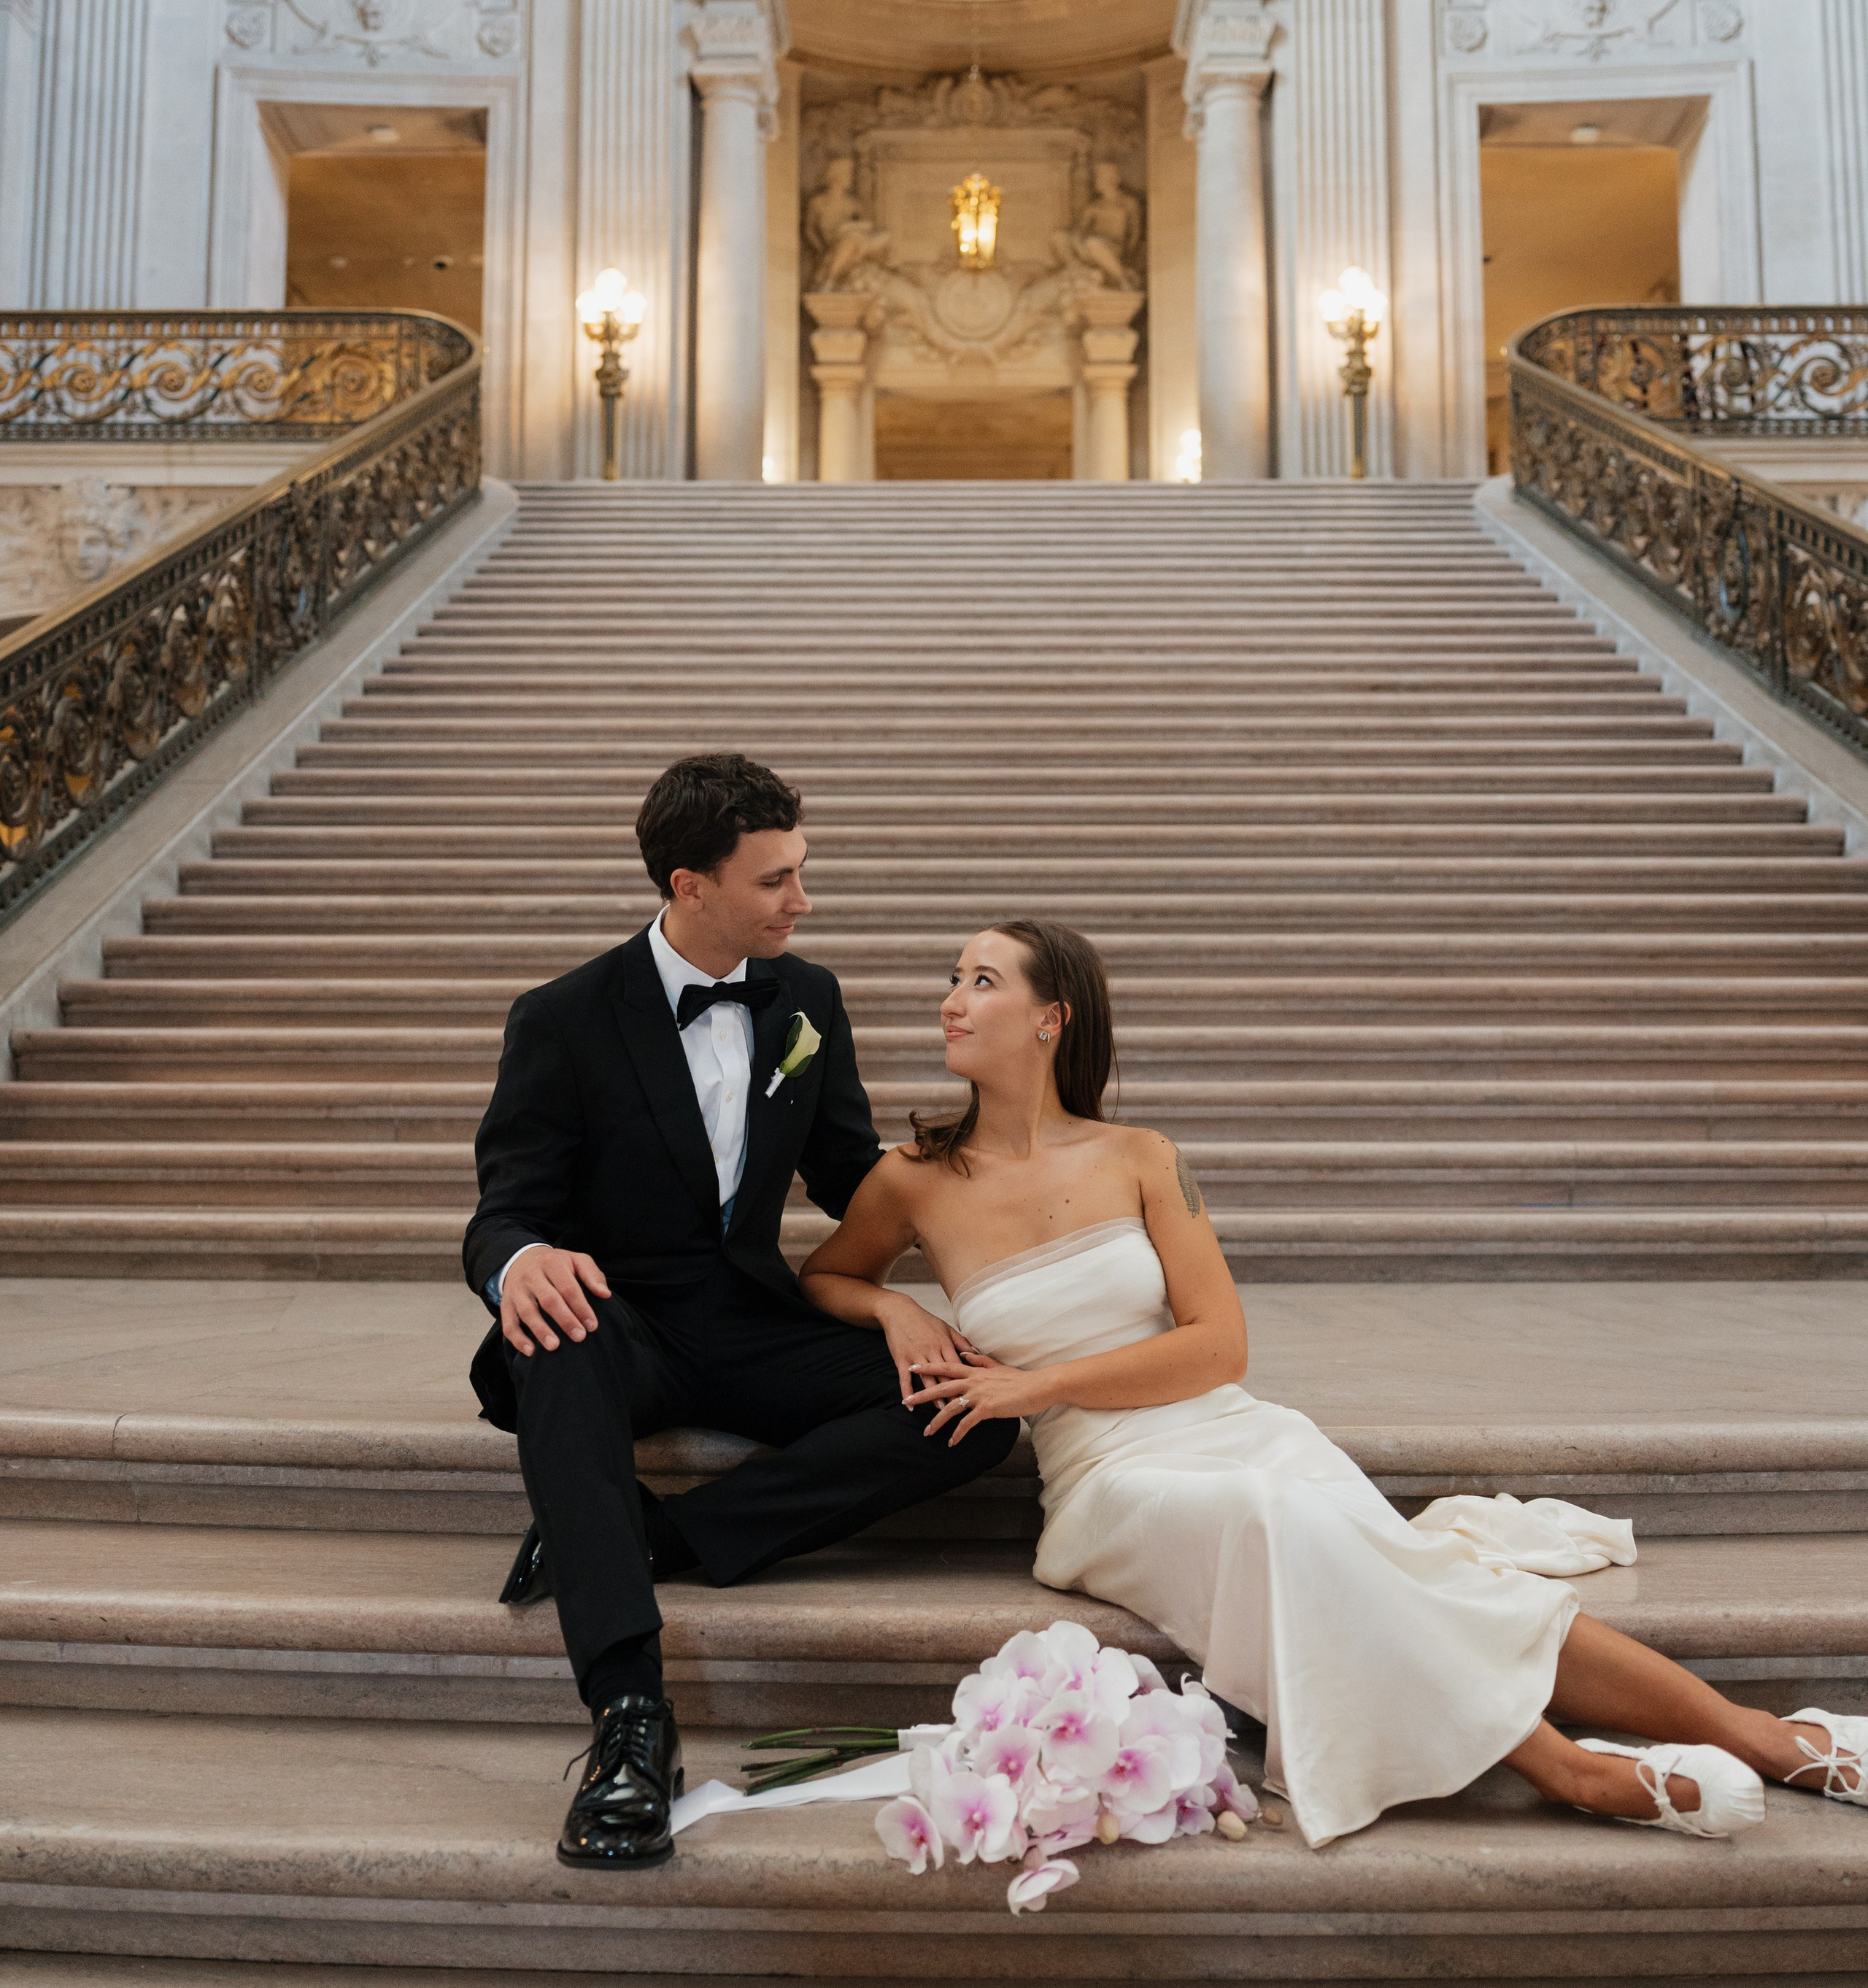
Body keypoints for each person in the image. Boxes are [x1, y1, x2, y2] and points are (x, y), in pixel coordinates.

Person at [799, 917, 1868, 1848]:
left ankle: (1758, 1735)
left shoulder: (1142, 1156)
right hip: (1107, 1481)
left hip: (1228, 1423)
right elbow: (826, 1274)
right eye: (953, 978)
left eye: (982, 980)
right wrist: (899, 1309)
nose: (950, 1000)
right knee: (1285, 1519)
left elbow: (1220, 1346)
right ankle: (1567, 1769)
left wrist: (1036, 1384)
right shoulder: (915, 1179)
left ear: (1052, 1017)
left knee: (1397, 1558)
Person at [462, 755, 1018, 1872]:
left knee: (974, 1410)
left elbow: (853, 1173)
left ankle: (646, 1536)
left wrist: (936, 1265)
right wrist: (519, 1260)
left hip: (754, 1315)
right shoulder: (564, 1017)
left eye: (800, 870)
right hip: (621, 1319)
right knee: (557, 1332)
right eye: (776, 879)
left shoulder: (806, 998)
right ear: (691, 884)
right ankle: (630, 1717)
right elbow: (506, 1205)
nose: (801, 898)